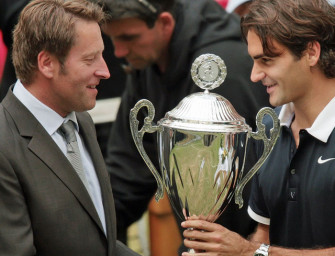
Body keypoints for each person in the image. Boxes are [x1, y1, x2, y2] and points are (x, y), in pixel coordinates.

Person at [94, 0, 270, 251]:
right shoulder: (147, 58)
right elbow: (127, 173)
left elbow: (240, 194)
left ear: (165, 23)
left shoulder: (219, 68)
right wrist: (89, 229)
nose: (119, 51)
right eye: (112, 39)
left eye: (128, 37)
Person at [181, 0, 335, 255]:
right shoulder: (267, 127)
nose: (254, 75)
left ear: (311, 52)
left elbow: (258, 251)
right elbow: (264, 234)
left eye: (267, 60)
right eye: (254, 60)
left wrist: (249, 253)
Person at [0, 0, 140, 255]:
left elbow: (101, 244)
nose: (106, 71)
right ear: (47, 64)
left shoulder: (79, 119)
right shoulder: (4, 147)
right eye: (90, 59)